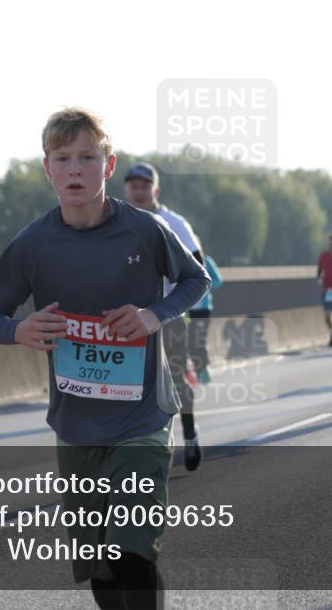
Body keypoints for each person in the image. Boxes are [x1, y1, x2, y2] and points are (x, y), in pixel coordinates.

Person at [0, 108, 210, 609]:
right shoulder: (33, 243)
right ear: (48, 169)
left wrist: (154, 314)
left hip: (142, 417)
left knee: (133, 551)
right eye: (63, 159)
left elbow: (197, 280)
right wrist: (19, 330)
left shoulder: (144, 230)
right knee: (101, 562)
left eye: (87, 157)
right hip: (76, 424)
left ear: (108, 166)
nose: (75, 169)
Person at [123, 161, 205, 472]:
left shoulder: (174, 222)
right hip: (128, 318)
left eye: (145, 185)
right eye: (133, 185)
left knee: (175, 381)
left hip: (168, 314)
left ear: (155, 189)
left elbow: (198, 269)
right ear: (126, 188)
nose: (139, 190)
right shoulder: (115, 220)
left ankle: (190, 432)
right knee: (131, 385)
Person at [187, 254, 223, 384]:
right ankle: (197, 369)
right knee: (190, 341)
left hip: (203, 309)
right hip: (187, 309)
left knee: (199, 340)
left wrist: (203, 283)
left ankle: (203, 369)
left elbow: (219, 280)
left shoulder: (207, 260)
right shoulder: (184, 260)